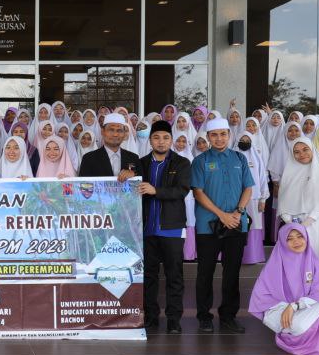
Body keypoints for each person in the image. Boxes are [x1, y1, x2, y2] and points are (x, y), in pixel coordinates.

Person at [190, 117, 253, 334]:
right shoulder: (200, 161)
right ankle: (204, 316)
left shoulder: (239, 158)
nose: (219, 138)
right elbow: (197, 192)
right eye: (214, 135)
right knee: (205, 272)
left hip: (236, 223)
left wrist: (238, 212)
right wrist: (221, 215)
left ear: (229, 135)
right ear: (207, 137)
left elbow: (248, 188)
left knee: (232, 272)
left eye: (223, 134)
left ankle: (228, 316)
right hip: (208, 226)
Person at [248, 223, 319, 355]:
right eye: (290, 238)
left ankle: (300, 341)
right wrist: (285, 307)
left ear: (306, 238)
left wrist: (294, 306)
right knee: (306, 323)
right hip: (279, 310)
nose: (296, 241)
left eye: (300, 236)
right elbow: (260, 298)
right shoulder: (274, 264)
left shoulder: (314, 262)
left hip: (301, 309)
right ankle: (296, 340)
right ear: (283, 242)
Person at [136, 120, 192, 335]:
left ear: (171, 140)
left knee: (174, 275)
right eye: (157, 137)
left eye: (165, 137)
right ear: (150, 140)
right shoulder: (141, 163)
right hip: (147, 229)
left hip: (171, 228)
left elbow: (181, 190)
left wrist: (155, 190)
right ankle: (151, 317)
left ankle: (174, 319)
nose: (161, 141)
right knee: (149, 276)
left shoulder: (182, 163)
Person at [275, 136, 319, 262]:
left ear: (312, 149)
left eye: (305, 149)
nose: (302, 154)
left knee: (316, 260)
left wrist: (306, 223)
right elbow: (283, 202)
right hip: (293, 226)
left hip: (316, 224)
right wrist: (291, 223)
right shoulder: (288, 174)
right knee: (296, 261)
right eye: (296, 152)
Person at [232, 130, 269, 264]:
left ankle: (252, 256)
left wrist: (263, 199)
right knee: (236, 225)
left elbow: (262, 178)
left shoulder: (257, 157)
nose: (245, 143)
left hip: (254, 198)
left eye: (248, 140)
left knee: (253, 225)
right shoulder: (232, 156)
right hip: (235, 199)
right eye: (242, 140)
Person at [78, 113, 140, 179]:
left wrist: (134, 174)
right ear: (102, 132)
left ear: (124, 134)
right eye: (111, 130)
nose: (115, 134)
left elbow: (141, 182)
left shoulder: (133, 158)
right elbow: (84, 186)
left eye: (119, 130)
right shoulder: (89, 159)